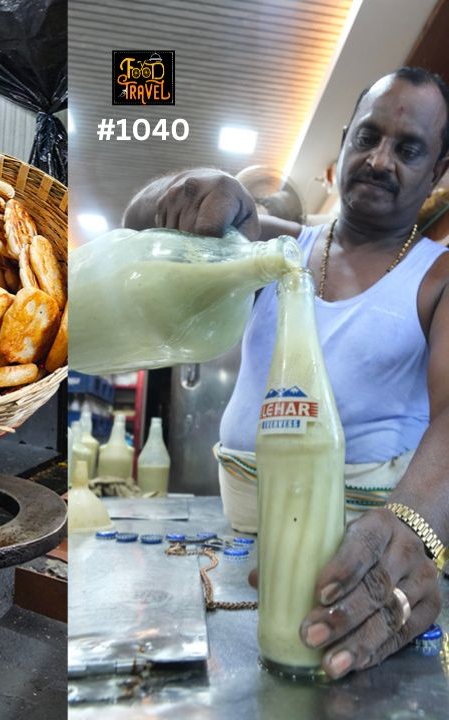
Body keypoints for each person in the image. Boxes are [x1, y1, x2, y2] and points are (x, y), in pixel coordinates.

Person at [123, 67, 449, 680]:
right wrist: (194, 187)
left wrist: (412, 523)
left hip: (354, 567)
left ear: (436, 172)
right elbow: (140, 231)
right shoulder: (275, 250)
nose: (380, 161)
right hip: (235, 548)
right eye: (368, 138)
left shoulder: (438, 278)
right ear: (344, 142)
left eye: (408, 149)